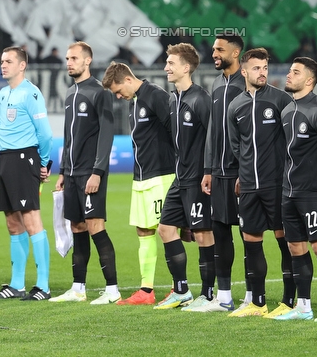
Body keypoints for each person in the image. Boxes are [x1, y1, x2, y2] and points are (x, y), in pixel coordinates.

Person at [225, 48, 295, 318]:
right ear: (244, 71)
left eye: (265, 67)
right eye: (256, 68)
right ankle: (258, 302)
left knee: (284, 241)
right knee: (251, 240)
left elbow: (292, 141)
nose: (262, 72)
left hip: (277, 184)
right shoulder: (236, 106)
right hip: (249, 187)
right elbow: (236, 145)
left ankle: (289, 302)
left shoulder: (280, 100)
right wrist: (243, 173)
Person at [273, 57, 317, 323]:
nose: (289, 75)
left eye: (295, 72)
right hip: (289, 192)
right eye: (290, 70)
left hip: (314, 192)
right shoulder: (288, 110)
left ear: (310, 80)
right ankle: (304, 306)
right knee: (295, 247)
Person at [50, 42, 120, 304]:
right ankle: (78, 288)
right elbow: (68, 138)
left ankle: (112, 289)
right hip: (71, 174)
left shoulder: (99, 92)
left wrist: (98, 172)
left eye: (74, 58)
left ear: (87, 61)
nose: (69, 62)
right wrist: (62, 172)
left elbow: (106, 133)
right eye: (67, 58)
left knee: (94, 226)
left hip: (91, 174)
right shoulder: (70, 93)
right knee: (77, 227)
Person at [102, 62, 175, 306]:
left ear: (127, 80)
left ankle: (179, 287)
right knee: (144, 230)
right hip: (142, 177)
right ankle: (146, 290)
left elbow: (176, 131)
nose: (118, 96)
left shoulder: (155, 95)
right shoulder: (135, 102)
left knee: (170, 231)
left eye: (117, 91)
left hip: (162, 175)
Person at [0, 46, 53, 301]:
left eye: (9, 61)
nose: (3, 65)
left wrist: (44, 163)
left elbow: (45, 133)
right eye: (2, 61)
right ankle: (16, 284)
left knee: (31, 220)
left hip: (25, 157)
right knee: (12, 222)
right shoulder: (4, 93)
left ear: (22, 66)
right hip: (5, 159)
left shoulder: (31, 93)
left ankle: (43, 285)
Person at [153, 43, 214, 310]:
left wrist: (209, 171)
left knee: (203, 235)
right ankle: (181, 291)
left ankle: (209, 294)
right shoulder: (173, 99)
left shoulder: (200, 99)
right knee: (165, 229)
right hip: (180, 178)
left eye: (171, 63)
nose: (166, 67)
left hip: (199, 179)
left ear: (186, 67)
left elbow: (215, 138)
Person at [197, 34, 245, 313]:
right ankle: (224, 297)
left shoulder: (246, 84)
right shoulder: (216, 84)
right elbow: (213, 131)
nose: (214, 53)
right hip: (220, 173)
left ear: (235, 53)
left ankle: (255, 297)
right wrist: (208, 169)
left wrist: (246, 170)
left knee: (252, 235)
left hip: (244, 174)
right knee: (221, 232)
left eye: (220, 50)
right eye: (214, 49)